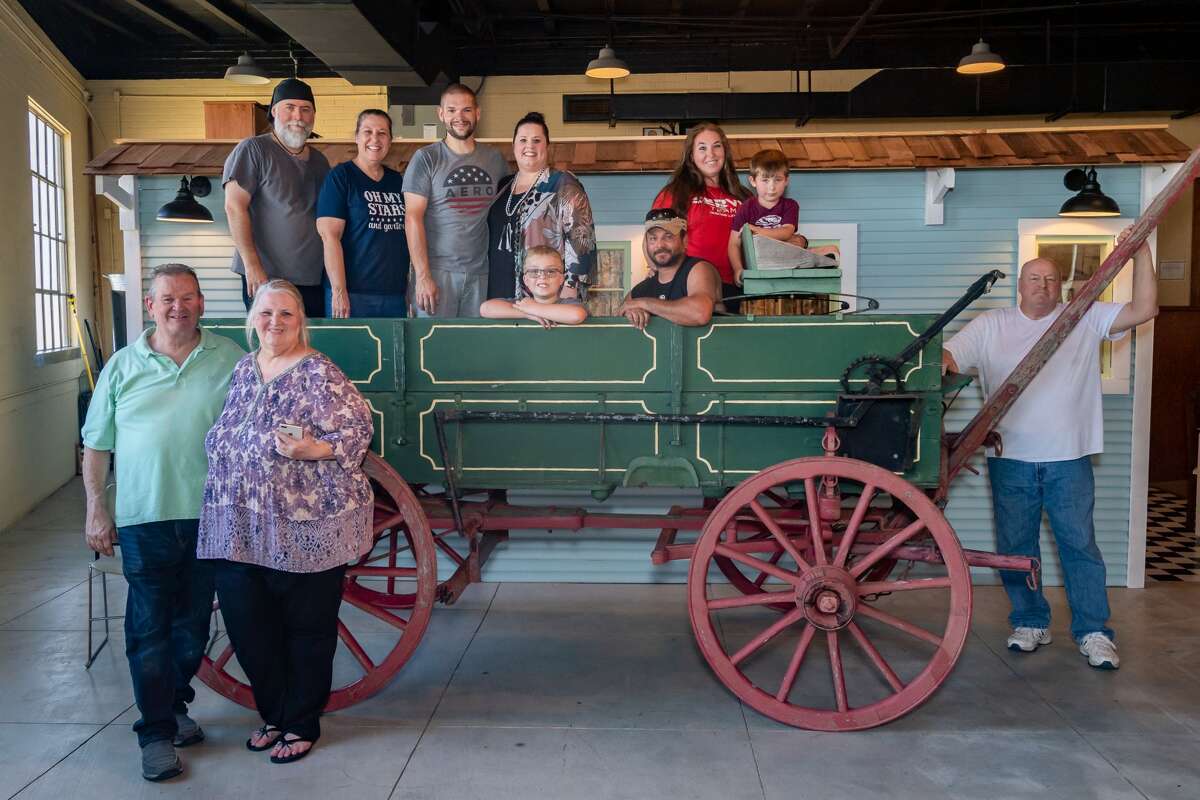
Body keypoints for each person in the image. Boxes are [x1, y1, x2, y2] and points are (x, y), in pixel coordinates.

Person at [943, 228, 1158, 670]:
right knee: (1017, 548)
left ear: (1060, 287)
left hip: (1069, 458)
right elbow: (949, 357)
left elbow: (1145, 309)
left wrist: (1141, 253)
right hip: (1010, 458)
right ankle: (1029, 622)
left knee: (1079, 546)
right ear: (1020, 286)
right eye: (1034, 278)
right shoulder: (992, 325)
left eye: (1050, 279)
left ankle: (1094, 632)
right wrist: (934, 367)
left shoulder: (1083, 317)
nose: (1042, 285)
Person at [197, 280, 375, 764]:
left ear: (301, 322)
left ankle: (300, 723)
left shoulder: (318, 371)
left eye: (286, 314)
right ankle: (274, 713)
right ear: (252, 320)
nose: (274, 322)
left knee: (307, 629)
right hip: (239, 526)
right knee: (248, 626)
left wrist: (316, 449)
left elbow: (358, 426)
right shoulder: (243, 369)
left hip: (306, 524)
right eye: (266, 313)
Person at [80, 264, 244, 782]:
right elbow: (96, 445)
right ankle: (154, 734)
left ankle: (173, 706)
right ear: (150, 306)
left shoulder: (230, 358)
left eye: (188, 297)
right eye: (168, 298)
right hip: (143, 518)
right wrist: (96, 507)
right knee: (148, 627)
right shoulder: (122, 367)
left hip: (210, 516)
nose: (179, 307)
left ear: (202, 303)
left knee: (193, 628)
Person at [223, 78, 330, 318]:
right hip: (267, 277)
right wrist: (252, 265)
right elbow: (234, 206)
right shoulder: (253, 149)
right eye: (290, 107)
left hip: (312, 278)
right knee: (272, 337)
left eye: (306, 109)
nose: (298, 116)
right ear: (274, 112)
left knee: (310, 339)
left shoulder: (320, 161)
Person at [404, 83, 510, 317]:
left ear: (477, 113)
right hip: (437, 273)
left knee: (473, 340)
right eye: (452, 110)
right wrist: (423, 276)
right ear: (441, 114)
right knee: (433, 340)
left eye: (466, 110)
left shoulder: (495, 159)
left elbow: (508, 213)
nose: (459, 117)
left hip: (481, 273)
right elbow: (412, 218)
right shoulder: (426, 158)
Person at [487, 111, 596, 302]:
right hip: (499, 290)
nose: (529, 146)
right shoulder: (503, 186)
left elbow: (582, 237)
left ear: (547, 146)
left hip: (545, 294)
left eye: (536, 140)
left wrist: (571, 286)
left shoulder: (562, 183)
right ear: (514, 146)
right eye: (523, 140)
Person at [316, 108, 409, 318]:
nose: (375, 139)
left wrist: (410, 287)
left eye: (382, 133)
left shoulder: (397, 181)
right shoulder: (340, 177)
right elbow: (329, 236)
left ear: (390, 140)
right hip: (352, 295)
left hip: (394, 295)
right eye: (368, 132)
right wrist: (339, 291)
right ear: (357, 137)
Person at [652, 122, 750, 310]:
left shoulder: (743, 197)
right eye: (702, 148)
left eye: (717, 146)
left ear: (725, 151)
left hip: (733, 287)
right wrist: (656, 269)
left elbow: (764, 233)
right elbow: (654, 238)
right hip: (688, 285)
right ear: (691, 156)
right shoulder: (675, 193)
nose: (711, 154)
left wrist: (797, 239)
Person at [618, 209, 722, 330]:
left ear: (685, 240)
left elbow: (700, 313)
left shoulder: (699, 268)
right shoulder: (642, 289)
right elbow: (621, 312)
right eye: (653, 238)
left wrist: (644, 304)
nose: (660, 245)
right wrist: (630, 314)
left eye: (668, 237)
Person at [727, 148, 807, 286]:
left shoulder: (790, 205)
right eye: (765, 180)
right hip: (757, 268)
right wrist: (737, 269)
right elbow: (733, 243)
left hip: (785, 267)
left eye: (778, 180)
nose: (772, 187)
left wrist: (755, 230)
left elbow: (786, 232)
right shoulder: (745, 208)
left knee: (826, 250)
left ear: (786, 180)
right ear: (753, 181)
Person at [480, 245, 588, 327]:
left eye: (551, 271)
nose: (542, 277)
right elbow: (486, 308)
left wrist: (534, 308)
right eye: (534, 271)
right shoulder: (522, 304)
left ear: (561, 279)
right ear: (525, 280)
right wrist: (528, 313)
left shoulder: (569, 304)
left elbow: (577, 315)